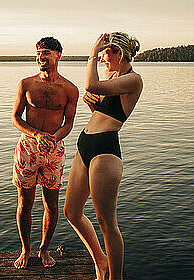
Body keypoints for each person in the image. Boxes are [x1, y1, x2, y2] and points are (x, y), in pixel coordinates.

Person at [64, 32, 142, 280]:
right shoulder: (114, 77)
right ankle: (100, 260)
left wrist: (90, 55)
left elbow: (91, 85)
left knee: (106, 222)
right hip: (86, 143)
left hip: (105, 150)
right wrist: (93, 105)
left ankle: (115, 278)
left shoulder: (133, 79)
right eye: (100, 55)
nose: (102, 59)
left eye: (105, 54)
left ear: (118, 53)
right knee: (71, 211)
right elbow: (101, 105)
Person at [11, 37, 79, 269]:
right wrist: (36, 135)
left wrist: (53, 138)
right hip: (28, 148)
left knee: (51, 202)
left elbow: (68, 124)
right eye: (38, 53)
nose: (41, 57)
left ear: (58, 55)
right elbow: (16, 118)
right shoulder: (26, 84)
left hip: (54, 150)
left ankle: (44, 249)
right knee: (25, 202)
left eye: (46, 52)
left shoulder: (70, 89)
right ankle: (26, 249)